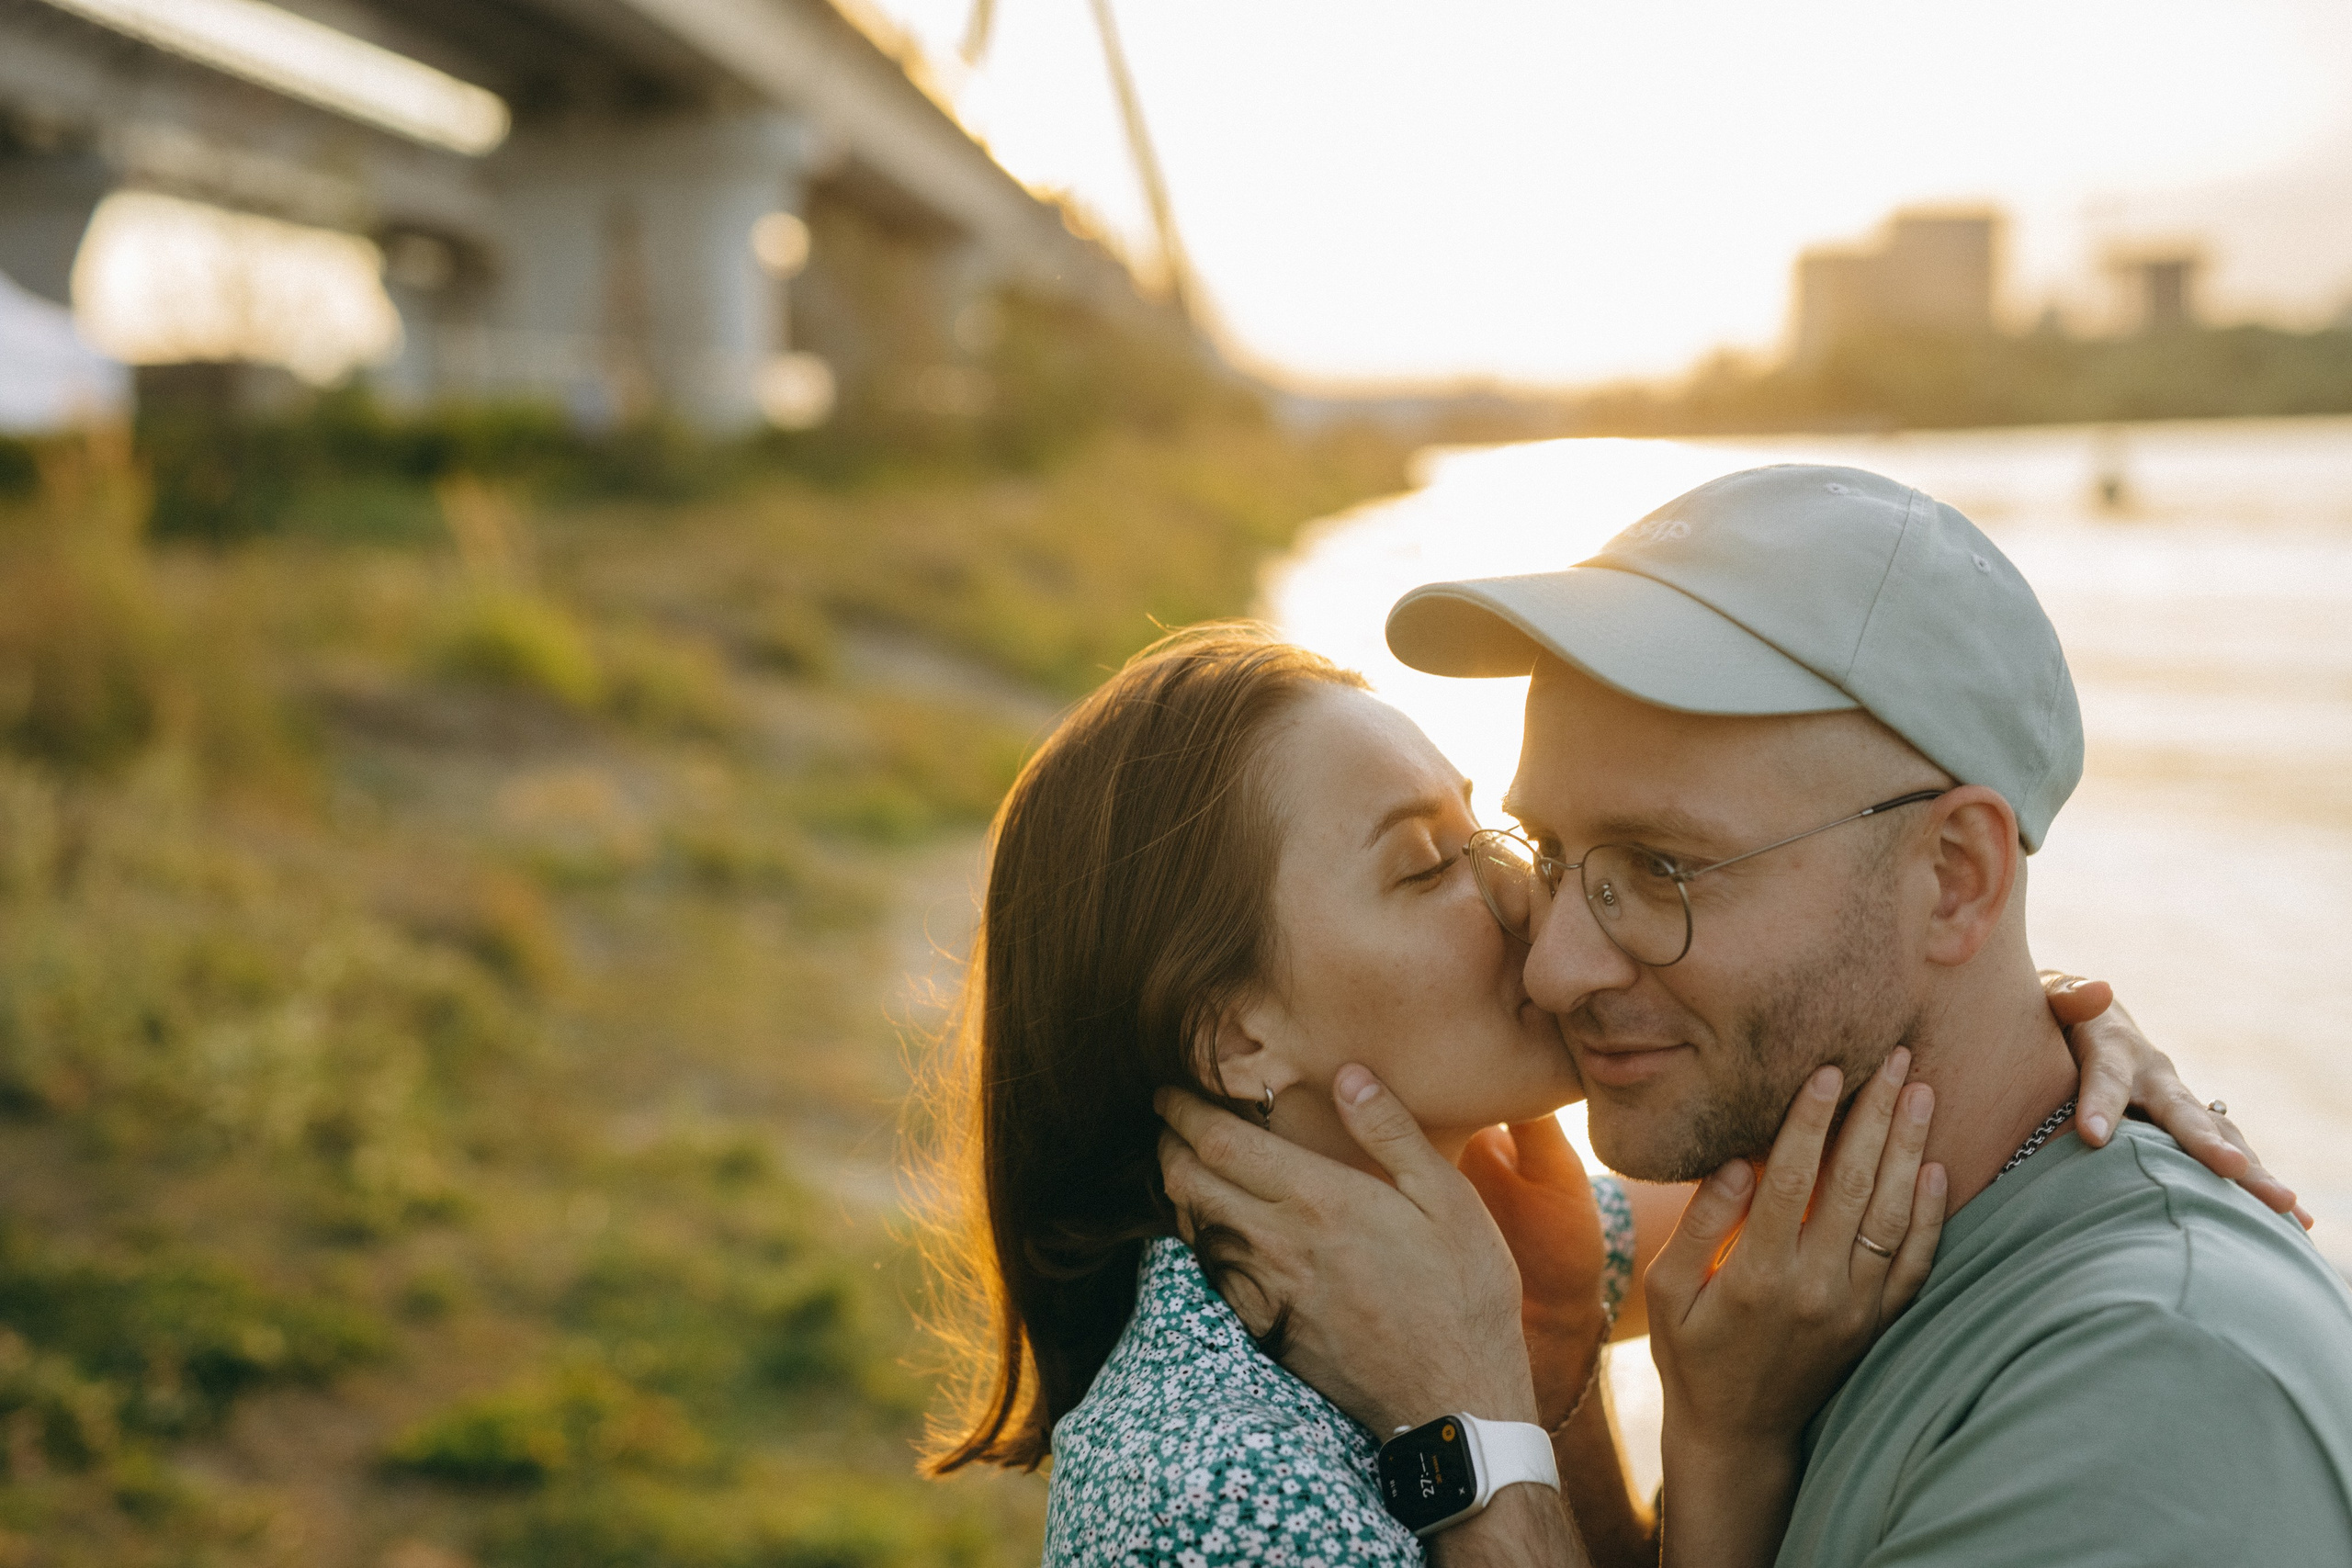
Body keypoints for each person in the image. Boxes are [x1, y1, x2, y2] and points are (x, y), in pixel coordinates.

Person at [1156, 463, 2352, 1567]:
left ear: (1956, 880)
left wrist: (1468, 1426)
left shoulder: (2147, 1406)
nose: (1552, 967)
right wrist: (1561, 1373)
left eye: (1662, 869)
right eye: (1550, 851)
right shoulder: (1788, 1281)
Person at [912, 618, 2279, 1566]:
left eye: (1496, 833)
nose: (1533, 903)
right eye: (1426, 867)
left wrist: (2052, 1020)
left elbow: (1859, 1152)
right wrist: (1557, 1429)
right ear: (1234, 1041)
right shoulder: (1209, 1497)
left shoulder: (1471, 1232)